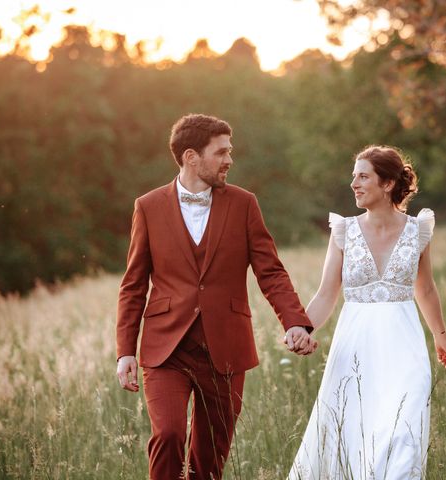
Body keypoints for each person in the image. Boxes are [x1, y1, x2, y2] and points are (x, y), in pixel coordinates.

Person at [115, 113, 317, 480]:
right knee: (170, 434)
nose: (229, 160)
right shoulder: (148, 206)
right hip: (166, 349)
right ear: (191, 157)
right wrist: (125, 350)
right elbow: (133, 284)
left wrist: (295, 322)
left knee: (209, 458)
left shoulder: (244, 204)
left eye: (230, 151)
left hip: (225, 347)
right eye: (221, 152)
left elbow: (270, 270)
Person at [288, 145, 446, 480]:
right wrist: (302, 328)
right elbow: (326, 293)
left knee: (405, 428)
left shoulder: (418, 230)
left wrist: (442, 338)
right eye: (354, 176)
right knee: (352, 431)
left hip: (404, 344)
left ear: (388, 183)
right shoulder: (344, 231)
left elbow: (424, 288)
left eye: (363, 176)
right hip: (355, 346)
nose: (354, 183)